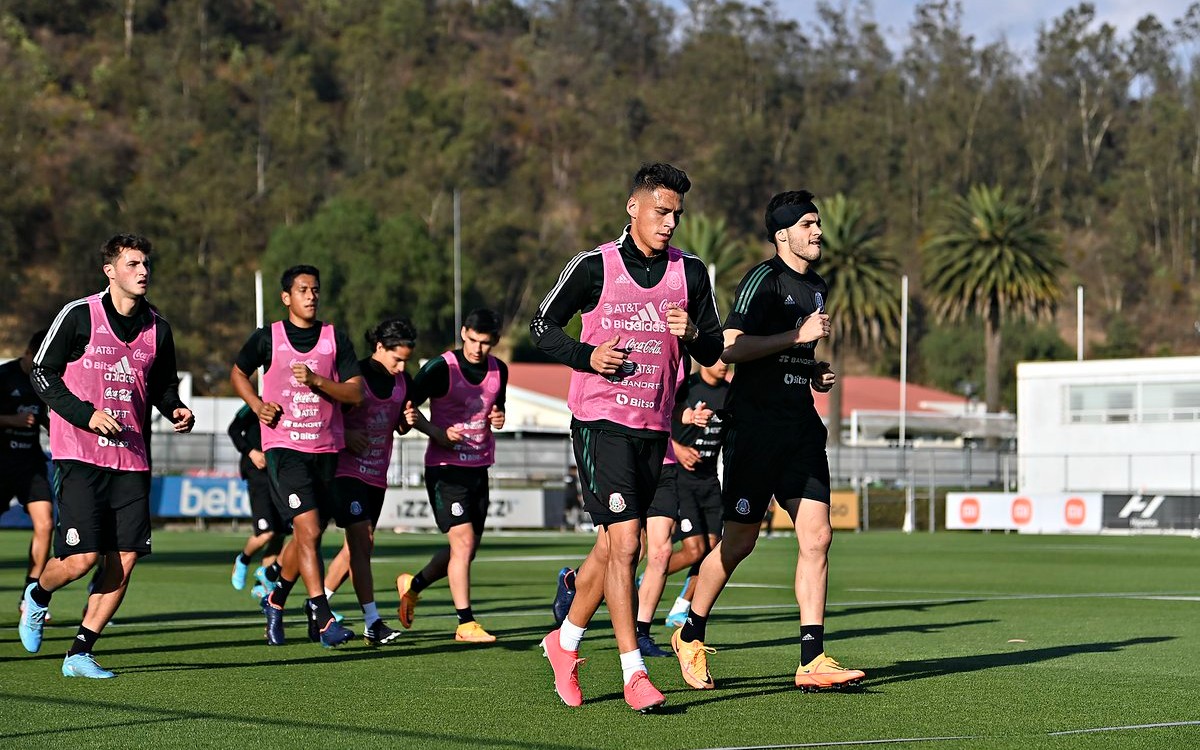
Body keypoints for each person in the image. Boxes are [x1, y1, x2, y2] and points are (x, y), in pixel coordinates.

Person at [530, 163, 723, 712]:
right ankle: (633, 671)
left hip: (655, 428)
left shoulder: (691, 272)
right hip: (600, 422)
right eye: (661, 211)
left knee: (610, 545)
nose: (669, 223)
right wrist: (586, 356)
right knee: (629, 544)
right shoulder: (595, 266)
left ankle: (564, 642)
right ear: (633, 207)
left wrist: (695, 334)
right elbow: (541, 326)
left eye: (676, 215)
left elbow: (713, 350)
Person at [671, 189, 866, 692]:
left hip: (800, 429)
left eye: (817, 223)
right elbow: (729, 348)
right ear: (782, 235)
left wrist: (812, 370)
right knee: (739, 543)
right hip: (754, 430)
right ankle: (690, 633)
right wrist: (795, 338)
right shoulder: (763, 279)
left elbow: (790, 357)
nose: (817, 231)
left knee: (818, 537)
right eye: (806, 224)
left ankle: (812, 659)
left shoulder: (817, 285)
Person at [19, 233, 194, 678]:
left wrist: (175, 408)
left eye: (146, 264)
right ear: (110, 271)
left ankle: (80, 652)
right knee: (81, 560)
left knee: (126, 557)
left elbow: (162, 385)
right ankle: (37, 596)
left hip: (132, 459)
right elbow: (42, 372)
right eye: (133, 264)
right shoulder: (80, 315)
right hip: (79, 455)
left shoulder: (159, 328)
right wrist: (86, 415)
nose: (143, 271)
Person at [230, 264, 363, 648]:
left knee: (310, 534)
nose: (311, 295)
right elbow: (238, 373)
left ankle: (275, 600)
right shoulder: (267, 338)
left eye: (315, 289)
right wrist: (257, 405)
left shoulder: (335, 339)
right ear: (286, 297)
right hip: (285, 449)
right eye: (303, 289)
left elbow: (355, 393)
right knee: (309, 530)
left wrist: (318, 381)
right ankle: (322, 616)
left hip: (325, 450)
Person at [396, 308, 508, 643]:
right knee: (463, 543)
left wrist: (499, 418)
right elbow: (406, 410)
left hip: (479, 468)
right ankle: (465, 623)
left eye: (485, 342)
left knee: (465, 550)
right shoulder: (441, 367)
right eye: (472, 340)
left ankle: (413, 585)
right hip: (445, 470)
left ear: (494, 341)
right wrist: (437, 433)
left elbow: (497, 409)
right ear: (463, 333)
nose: (477, 348)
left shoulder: (499, 370)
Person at [321, 317, 418, 646]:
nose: (401, 367)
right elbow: (326, 414)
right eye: (397, 359)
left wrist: (407, 422)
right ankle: (372, 621)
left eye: (406, 360)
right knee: (361, 543)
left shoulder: (404, 381)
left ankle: (318, 603)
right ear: (379, 347)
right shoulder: (355, 375)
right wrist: (346, 435)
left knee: (358, 546)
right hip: (346, 470)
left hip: (377, 475)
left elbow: (398, 425)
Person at [661, 359, 731, 629]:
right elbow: (657, 420)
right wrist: (677, 449)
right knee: (694, 550)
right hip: (680, 480)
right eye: (719, 358)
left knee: (713, 551)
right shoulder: (686, 388)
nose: (724, 364)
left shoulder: (730, 394)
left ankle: (680, 609)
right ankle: (644, 580)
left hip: (710, 482)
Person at [2, 330, 53, 620]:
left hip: (31, 463)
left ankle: (30, 595)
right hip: (1, 462)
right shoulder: (4, 376)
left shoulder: (44, 378)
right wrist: (14, 420)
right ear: (29, 353)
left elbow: (47, 417)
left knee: (45, 524)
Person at [227, 404, 287, 597]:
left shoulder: (292, 401)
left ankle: (263, 584)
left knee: (279, 534)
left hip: (282, 473)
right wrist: (251, 452)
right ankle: (243, 560)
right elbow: (233, 429)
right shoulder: (256, 403)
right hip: (258, 474)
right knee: (266, 533)